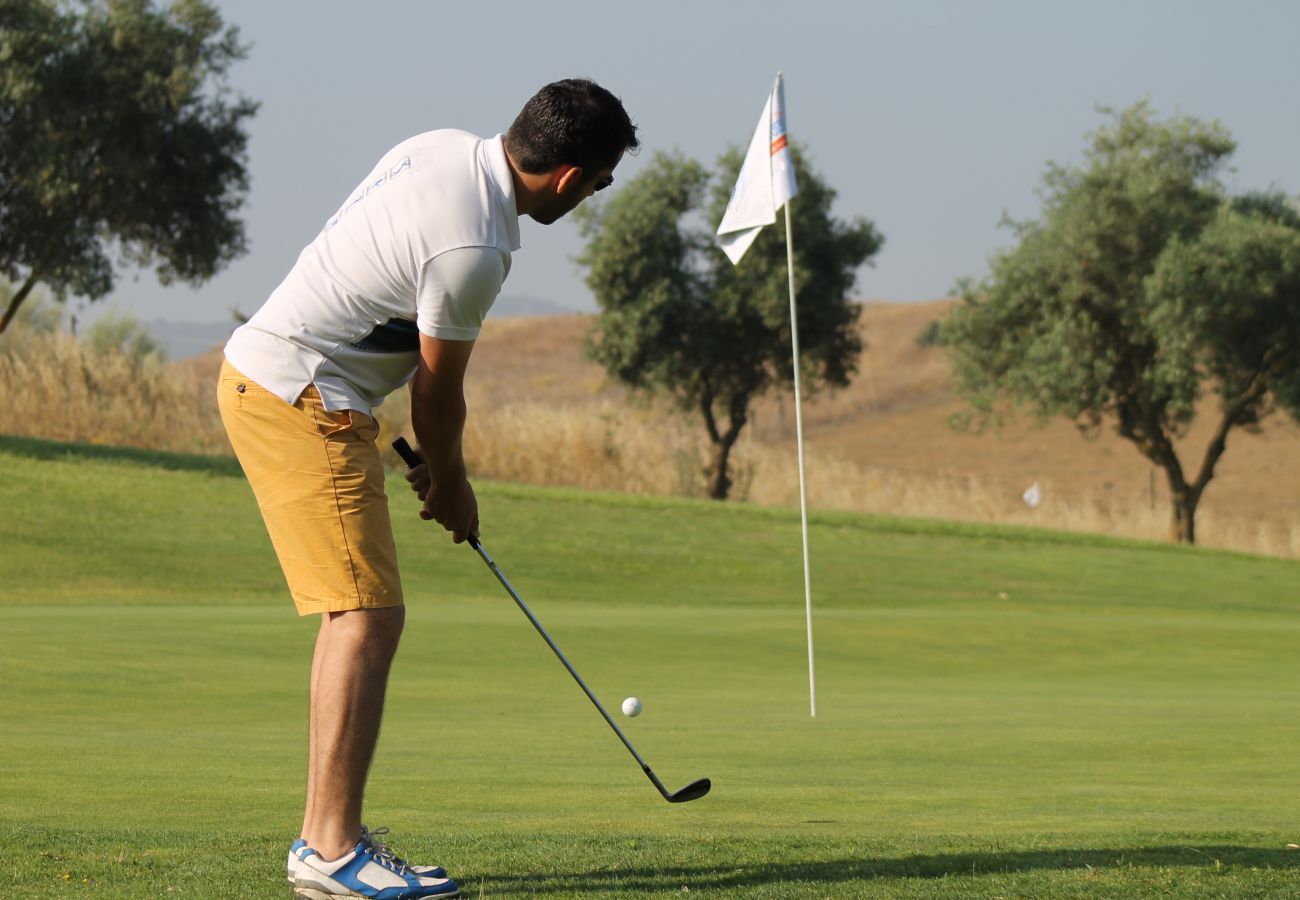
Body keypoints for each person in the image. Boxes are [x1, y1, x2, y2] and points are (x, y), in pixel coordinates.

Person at [217, 78, 638, 900]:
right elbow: (438, 396)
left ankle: (325, 839)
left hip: (278, 376)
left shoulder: (439, 146)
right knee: (367, 617)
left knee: (356, 614)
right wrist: (453, 482)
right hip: (299, 394)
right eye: (602, 181)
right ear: (567, 177)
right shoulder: (476, 247)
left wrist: (432, 463)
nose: (596, 195)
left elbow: (381, 304)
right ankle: (331, 852)